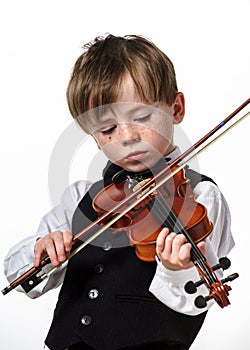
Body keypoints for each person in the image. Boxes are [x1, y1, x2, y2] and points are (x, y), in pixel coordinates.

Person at [3, 34, 234, 350]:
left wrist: (176, 269)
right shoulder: (81, 198)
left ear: (176, 108)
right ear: (94, 138)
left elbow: (196, 300)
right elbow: (18, 272)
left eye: (141, 118)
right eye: (108, 129)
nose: (127, 136)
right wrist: (42, 250)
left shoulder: (199, 197)